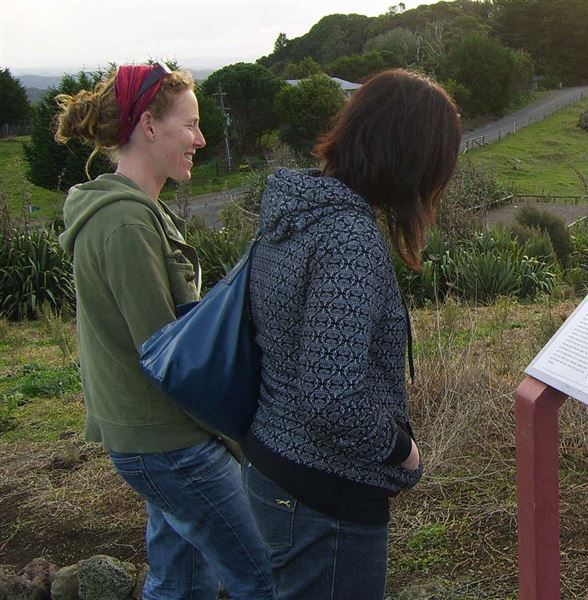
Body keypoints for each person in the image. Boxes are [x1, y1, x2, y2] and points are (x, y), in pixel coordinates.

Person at [55, 63, 274, 600]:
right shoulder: (125, 223)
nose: (200, 139)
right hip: (170, 443)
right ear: (149, 126)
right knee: (267, 576)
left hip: (154, 434)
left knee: (181, 582)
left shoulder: (137, 212)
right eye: (190, 125)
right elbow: (169, 354)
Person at [241, 68, 461, 599]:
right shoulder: (349, 238)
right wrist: (400, 451)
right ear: (409, 157)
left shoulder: (297, 209)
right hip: (325, 497)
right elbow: (331, 396)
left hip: (271, 465)